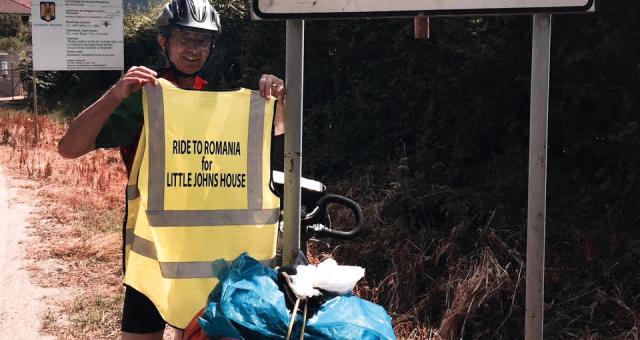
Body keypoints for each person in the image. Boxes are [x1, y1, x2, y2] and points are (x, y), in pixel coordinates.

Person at [57, 0, 285, 339]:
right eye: (184, 38)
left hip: (204, 249)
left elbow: (270, 145)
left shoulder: (213, 97)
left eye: (202, 41)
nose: (193, 49)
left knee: (192, 331)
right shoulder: (142, 98)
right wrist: (115, 94)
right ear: (164, 42)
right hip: (153, 251)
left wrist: (279, 102)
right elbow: (69, 148)